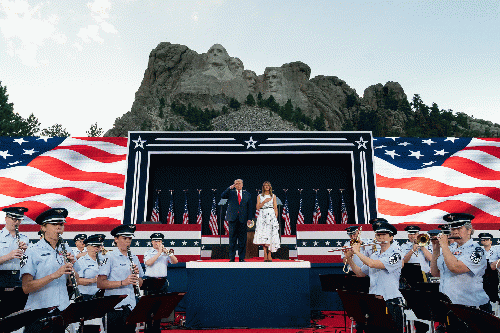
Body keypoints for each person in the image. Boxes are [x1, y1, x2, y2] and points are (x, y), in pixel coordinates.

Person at [21, 208, 81, 333]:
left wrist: (72, 266)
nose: (59, 228)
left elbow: (75, 281)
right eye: (54, 224)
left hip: (62, 312)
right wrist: (55, 274)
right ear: (43, 228)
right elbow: (26, 287)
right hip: (39, 314)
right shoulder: (33, 251)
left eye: (61, 224)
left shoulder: (67, 248)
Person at [430, 213, 491, 332]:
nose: (455, 232)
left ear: (469, 230)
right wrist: (436, 249)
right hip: (451, 308)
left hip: (470, 309)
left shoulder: (476, 250)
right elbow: (435, 272)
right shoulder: (451, 249)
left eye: (459, 228)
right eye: (453, 228)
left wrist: (444, 246)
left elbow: (455, 268)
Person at [344, 218, 404, 333]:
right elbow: (361, 273)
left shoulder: (396, 255)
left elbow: (373, 264)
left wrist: (357, 251)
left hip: (390, 301)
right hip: (373, 301)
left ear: (391, 237)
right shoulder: (374, 255)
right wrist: (349, 258)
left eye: (384, 235)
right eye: (378, 235)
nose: (381, 237)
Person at [97, 225, 144, 333]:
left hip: (130, 307)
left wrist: (136, 279)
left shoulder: (134, 257)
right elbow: (100, 283)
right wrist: (124, 282)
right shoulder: (109, 256)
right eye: (124, 238)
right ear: (116, 239)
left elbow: (141, 282)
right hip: (114, 308)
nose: (127, 242)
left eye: (130, 238)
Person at [0, 207, 29, 318]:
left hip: (19, 279)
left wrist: (26, 253)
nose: (16, 222)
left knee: (17, 316)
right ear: (6, 218)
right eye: (13, 219)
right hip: (2, 279)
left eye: (19, 220)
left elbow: (28, 263)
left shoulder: (24, 238)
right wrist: (8, 256)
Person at [221, 179, 253, 262]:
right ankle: (232, 258)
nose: (238, 185)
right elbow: (223, 196)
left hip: (243, 219)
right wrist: (229, 188)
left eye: (239, 183)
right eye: (236, 183)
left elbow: (250, 207)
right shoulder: (231, 192)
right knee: (232, 239)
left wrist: (249, 218)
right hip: (232, 219)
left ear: (242, 184)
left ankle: (241, 258)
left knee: (242, 240)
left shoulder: (247, 194)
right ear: (234, 185)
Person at [253, 181, 280, 262]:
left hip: (271, 216)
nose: (267, 186)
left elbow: (275, 208)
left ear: (270, 187)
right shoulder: (260, 196)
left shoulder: (273, 196)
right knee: (264, 234)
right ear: (263, 187)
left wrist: (275, 218)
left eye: (268, 185)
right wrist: (264, 201)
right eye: (265, 185)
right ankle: (264, 253)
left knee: (271, 234)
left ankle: (269, 253)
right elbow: (257, 207)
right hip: (262, 215)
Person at [478, 233, 500, 304]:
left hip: (493, 271)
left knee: (493, 292)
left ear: (491, 241)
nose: (485, 241)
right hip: (482, 272)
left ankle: (494, 301)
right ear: (481, 242)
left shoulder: (496, 249)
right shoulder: (479, 250)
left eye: (487, 240)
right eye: (483, 240)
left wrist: (496, 263)